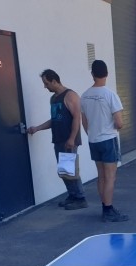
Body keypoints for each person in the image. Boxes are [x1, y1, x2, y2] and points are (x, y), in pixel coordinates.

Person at [27, 69, 88, 210]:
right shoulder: (53, 99)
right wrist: (37, 128)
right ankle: (72, 195)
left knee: (70, 170)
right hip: (58, 139)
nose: (45, 86)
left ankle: (80, 198)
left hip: (69, 141)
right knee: (64, 171)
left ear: (54, 81)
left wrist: (72, 138)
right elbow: (54, 120)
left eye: (46, 83)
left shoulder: (70, 96)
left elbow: (76, 118)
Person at [80, 59, 129, 222]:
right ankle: (108, 210)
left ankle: (105, 207)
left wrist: (92, 133)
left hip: (93, 140)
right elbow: (119, 122)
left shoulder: (85, 95)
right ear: (106, 74)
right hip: (108, 139)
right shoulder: (110, 95)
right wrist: (113, 127)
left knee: (101, 176)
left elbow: (84, 121)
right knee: (110, 177)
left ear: (92, 74)